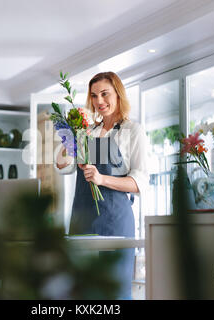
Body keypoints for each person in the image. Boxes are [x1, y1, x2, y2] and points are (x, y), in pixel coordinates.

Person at [54, 71, 148, 299]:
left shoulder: (132, 131)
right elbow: (62, 164)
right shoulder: (88, 132)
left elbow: (139, 182)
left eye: (104, 94)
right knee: (82, 291)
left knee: (112, 291)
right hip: (82, 220)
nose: (99, 101)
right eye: (94, 96)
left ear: (118, 94)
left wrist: (101, 179)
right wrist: (71, 135)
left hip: (115, 221)